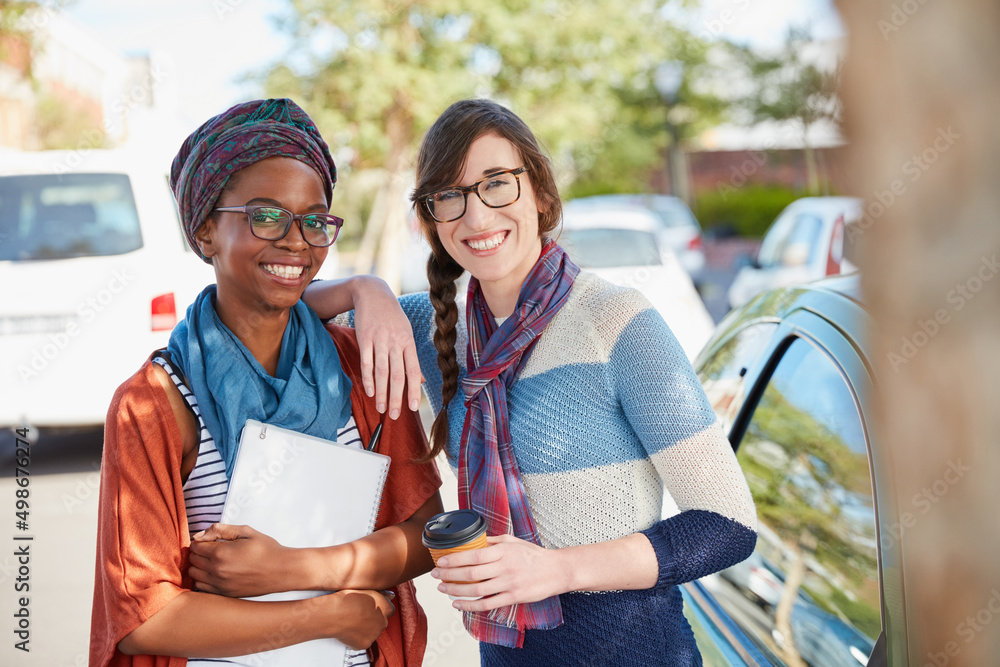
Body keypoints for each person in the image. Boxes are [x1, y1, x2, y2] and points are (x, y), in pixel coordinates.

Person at [304, 98, 758, 666]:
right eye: (449, 196)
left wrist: (556, 570)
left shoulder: (614, 321)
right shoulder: (431, 327)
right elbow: (277, 310)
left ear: (540, 193)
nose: (476, 216)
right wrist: (363, 289)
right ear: (431, 220)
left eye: (497, 183)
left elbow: (728, 525)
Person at [90, 98, 443, 667]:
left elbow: (424, 532)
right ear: (205, 232)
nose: (297, 240)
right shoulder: (153, 404)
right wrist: (326, 615)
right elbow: (143, 616)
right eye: (266, 215)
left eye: (314, 219)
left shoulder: (362, 367)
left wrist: (295, 569)